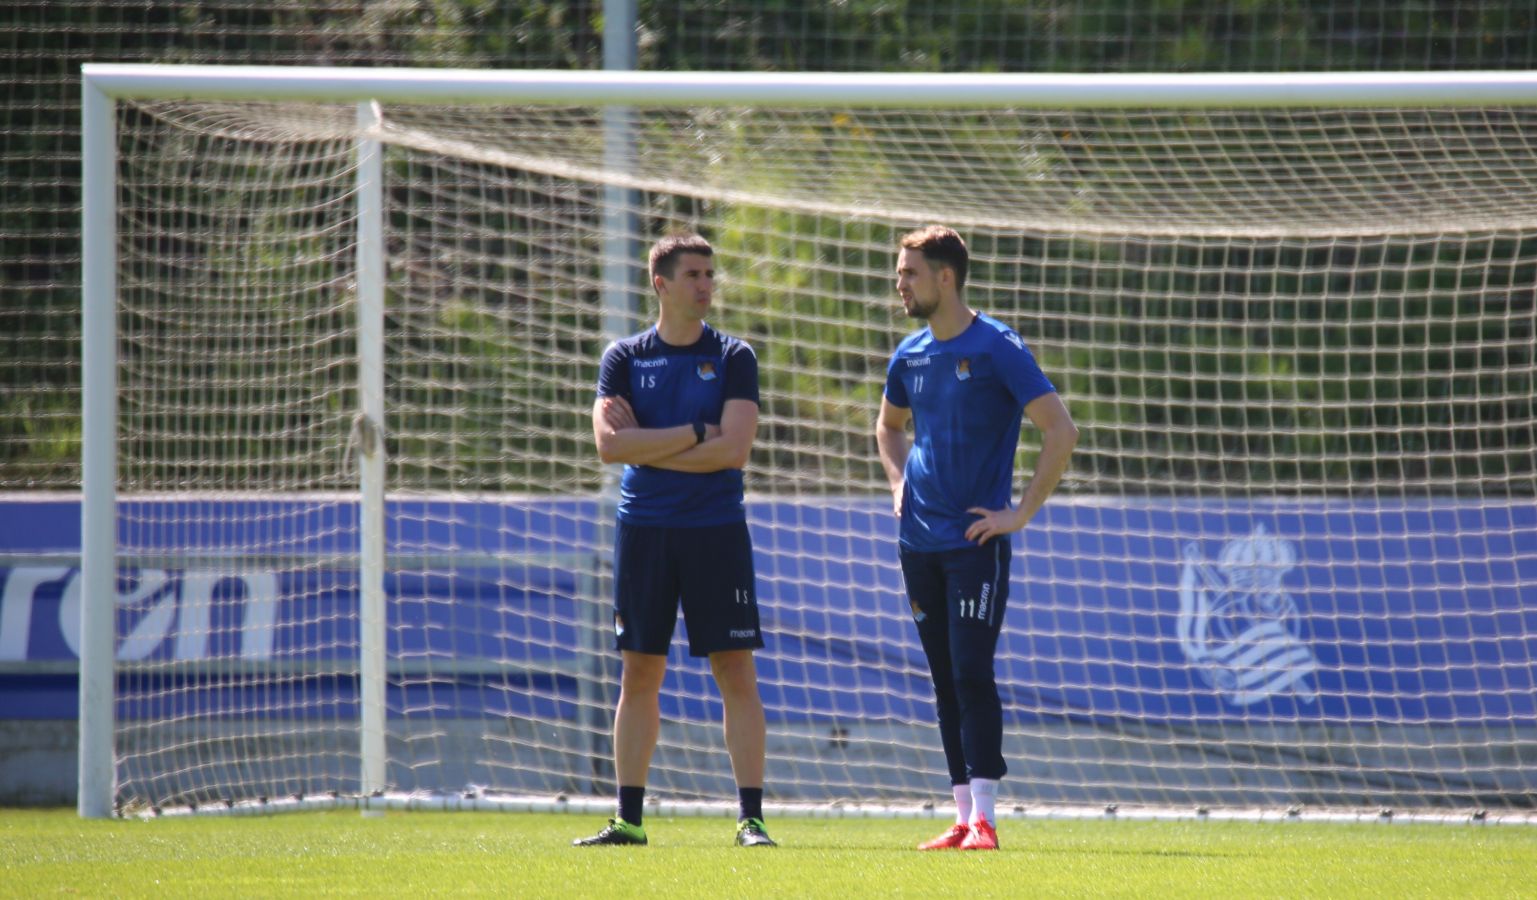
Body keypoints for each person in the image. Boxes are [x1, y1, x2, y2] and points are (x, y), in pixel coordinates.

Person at [875, 225, 1078, 851]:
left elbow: (1060, 430)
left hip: (975, 540)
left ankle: (987, 819)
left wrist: (1019, 513)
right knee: (942, 677)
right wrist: (897, 483)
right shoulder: (908, 354)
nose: (899, 282)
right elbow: (888, 428)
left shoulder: (997, 348)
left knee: (970, 671)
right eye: (899, 271)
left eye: (910, 272)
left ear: (946, 277)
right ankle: (962, 816)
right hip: (919, 543)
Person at [575, 232, 776, 848]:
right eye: (694, 274)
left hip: (715, 531)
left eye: (711, 273)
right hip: (645, 530)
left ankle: (751, 819)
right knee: (639, 673)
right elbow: (610, 447)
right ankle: (629, 820)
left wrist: (655, 447)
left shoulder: (735, 356)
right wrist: (694, 432)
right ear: (661, 283)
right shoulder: (624, 357)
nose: (707, 284)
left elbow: (735, 450)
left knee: (734, 670)